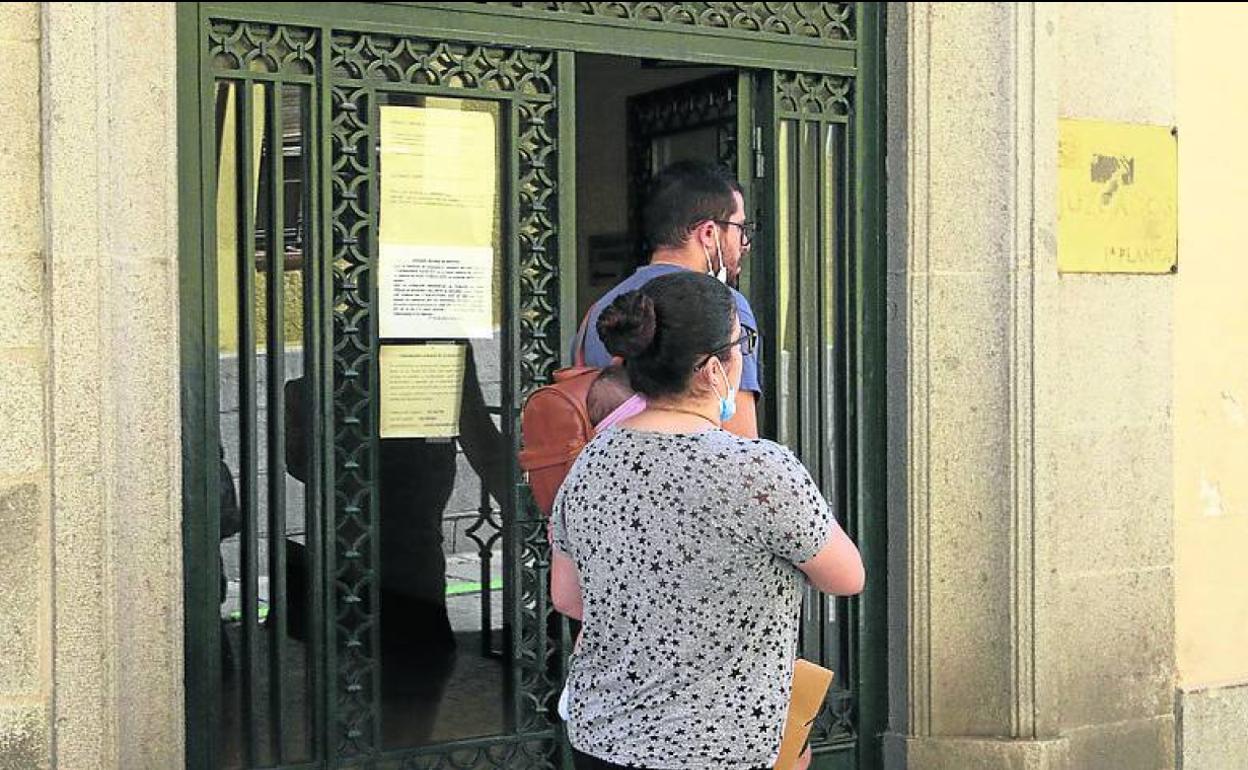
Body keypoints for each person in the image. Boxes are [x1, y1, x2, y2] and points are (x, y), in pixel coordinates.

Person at [550, 272, 864, 770]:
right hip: (720, 749)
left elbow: (568, 597)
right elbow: (848, 576)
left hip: (601, 740)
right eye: (743, 345)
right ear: (712, 370)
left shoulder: (593, 458)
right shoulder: (760, 469)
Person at [576, 160, 762, 438]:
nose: (745, 243)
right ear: (709, 233)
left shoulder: (601, 310)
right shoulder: (725, 309)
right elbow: (741, 442)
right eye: (739, 228)